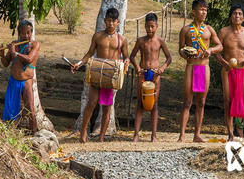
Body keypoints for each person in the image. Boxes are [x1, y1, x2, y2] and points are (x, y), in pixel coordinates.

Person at [71, 8, 130, 143]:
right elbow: (89, 53)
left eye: (113, 21)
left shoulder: (122, 40)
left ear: (118, 22)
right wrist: (79, 63)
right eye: (108, 21)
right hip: (97, 73)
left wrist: (126, 62)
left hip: (111, 76)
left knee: (107, 107)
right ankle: (83, 134)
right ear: (104, 21)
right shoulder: (97, 36)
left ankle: (101, 137)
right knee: (91, 103)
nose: (110, 24)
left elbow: (127, 56)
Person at [178, 0, 223, 142]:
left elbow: (220, 46)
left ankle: (197, 134)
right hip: (191, 66)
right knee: (187, 102)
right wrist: (185, 53)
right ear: (194, 11)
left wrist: (210, 50)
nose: (204, 12)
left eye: (205, 10)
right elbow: (180, 49)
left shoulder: (209, 29)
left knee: (201, 102)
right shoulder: (185, 30)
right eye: (201, 9)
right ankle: (182, 135)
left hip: (204, 67)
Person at [215, 3, 244, 141]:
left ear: (243, 18)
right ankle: (231, 134)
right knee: (227, 101)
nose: (237, 16)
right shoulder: (223, 32)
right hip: (228, 70)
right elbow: (216, 53)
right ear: (230, 16)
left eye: (240, 14)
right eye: (234, 13)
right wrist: (225, 63)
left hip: (243, 70)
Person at [130, 13, 172, 142]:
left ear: (157, 26)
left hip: (155, 75)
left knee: (154, 104)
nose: (150, 29)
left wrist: (162, 69)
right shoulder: (140, 41)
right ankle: (136, 134)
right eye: (148, 27)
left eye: (152, 27)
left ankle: (153, 135)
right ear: (144, 26)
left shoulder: (160, 41)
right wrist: (137, 67)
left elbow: (169, 58)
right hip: (143, 73)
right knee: (140, 103)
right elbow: (132, 56)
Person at [0, 20, 39, 134]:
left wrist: (15, 53)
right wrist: (2, 55)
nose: (26, 35)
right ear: (19, 33)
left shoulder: (35, 45)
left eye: (29, 33)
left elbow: (29, 59)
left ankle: (34, 133)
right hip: (13, 81)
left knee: (30, 108)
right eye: (23, 33)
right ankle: (10, 133)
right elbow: (6, 63)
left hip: (26, 81)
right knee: (11, 109)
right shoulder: (14, 44)